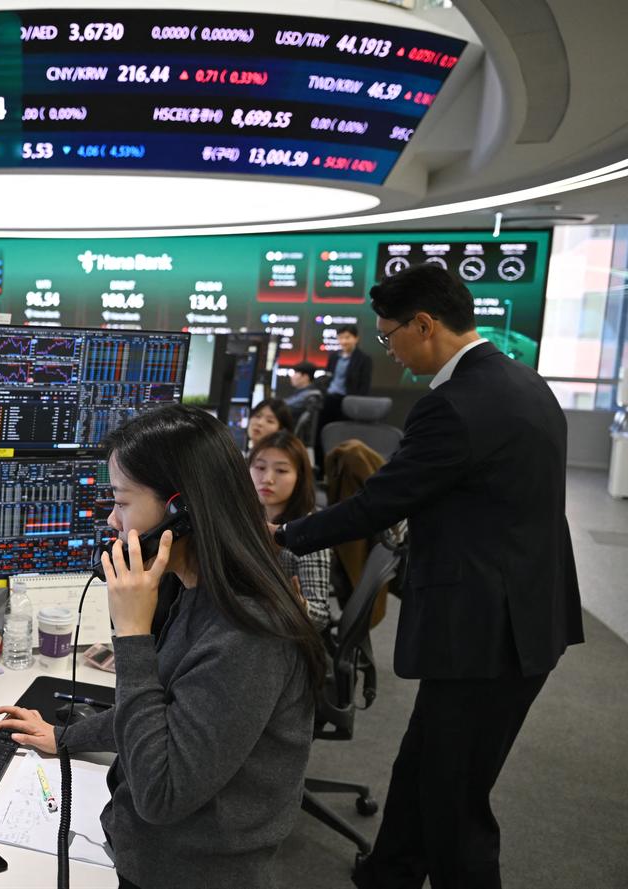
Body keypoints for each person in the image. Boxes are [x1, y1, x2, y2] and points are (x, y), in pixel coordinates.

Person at [272, 263, 583, 889]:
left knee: (455, 802)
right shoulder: (523, 382)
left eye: (389, 335)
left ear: (424, 324)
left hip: (487, 633)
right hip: (525, 613)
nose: (389, 348)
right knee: (424, 763)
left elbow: (376, 505)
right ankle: (389, 872)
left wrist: (277, 536)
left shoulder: (454, 405)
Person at [0, 404, 326, 889]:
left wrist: (133, 635)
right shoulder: (200, 591)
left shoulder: (247, 635)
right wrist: (64, 737)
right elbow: (168, 712)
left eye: (121, 502)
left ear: (180, 512)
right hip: (155, 857)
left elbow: (161, 794)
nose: (112, 521)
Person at [250, 431, 331, 631]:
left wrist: (298, 605)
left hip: (281, 634)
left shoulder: (308, 529)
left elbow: (321, 617)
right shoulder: (246, 516)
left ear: (299, 477)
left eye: (281, 470)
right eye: (260, 467)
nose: (267, 479)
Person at [317, 324, 374, 466]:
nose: (344, 341)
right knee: (322, 433)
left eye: (347, 337)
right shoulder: (334, 357)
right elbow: (328, 378)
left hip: (348, 402)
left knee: (344, 436)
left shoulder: (364, 359)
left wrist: (357, 405)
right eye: (340, 337)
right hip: (330, 399)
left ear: (356, 338)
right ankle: (321, 466)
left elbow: (364, 385)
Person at [282, 361, 324, 426]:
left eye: (295, 373)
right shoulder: (305, 392)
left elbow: (282, 407)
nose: (292, 377)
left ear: (305, 377)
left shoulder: (309, 395)